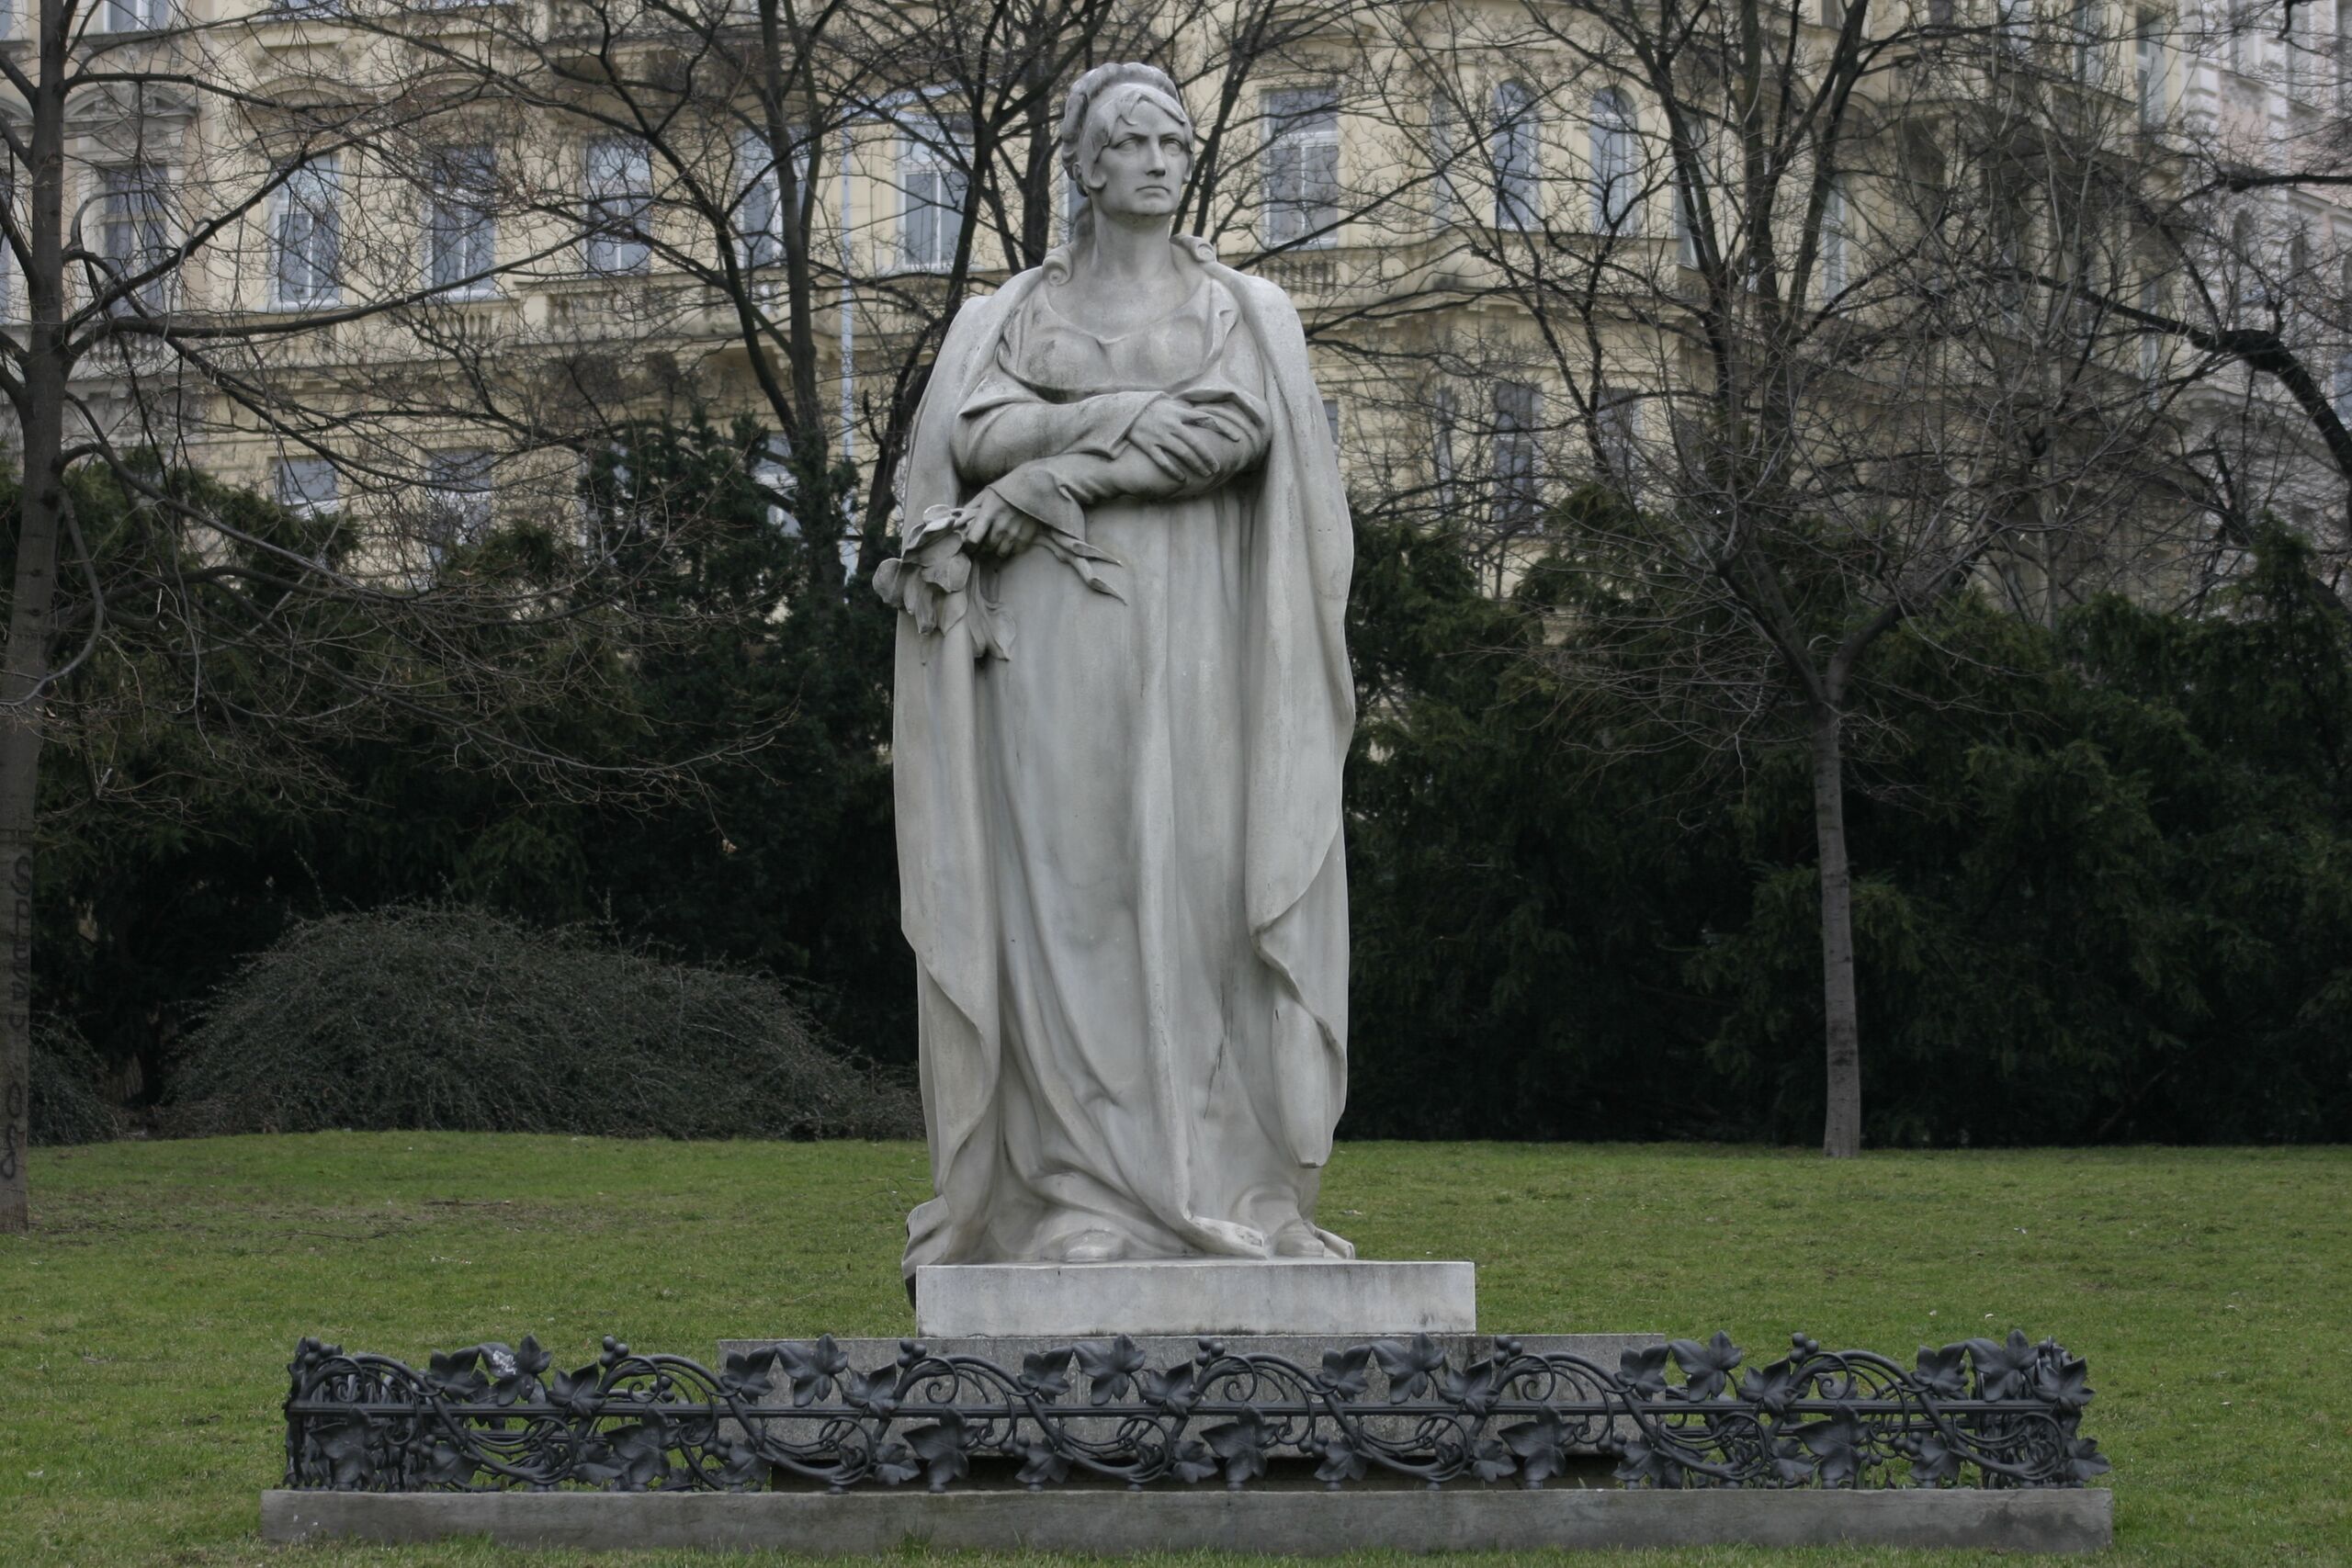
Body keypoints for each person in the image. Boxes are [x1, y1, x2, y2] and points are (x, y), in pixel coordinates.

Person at [878, 62, 1355, 1278]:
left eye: (1173, 142)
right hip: (1049, 643)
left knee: (1204, 895)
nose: (1157, 160)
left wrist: (1054, 473)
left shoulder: (1243, 309)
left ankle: (1237, 1184)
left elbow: (1233, 433)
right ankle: (1078, 1196)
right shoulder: (1006, 318)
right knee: (1069, 897)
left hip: (1205, 640)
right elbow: (969, 434)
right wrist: (1106, 433)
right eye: (1131, 143)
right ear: (1085, 168)